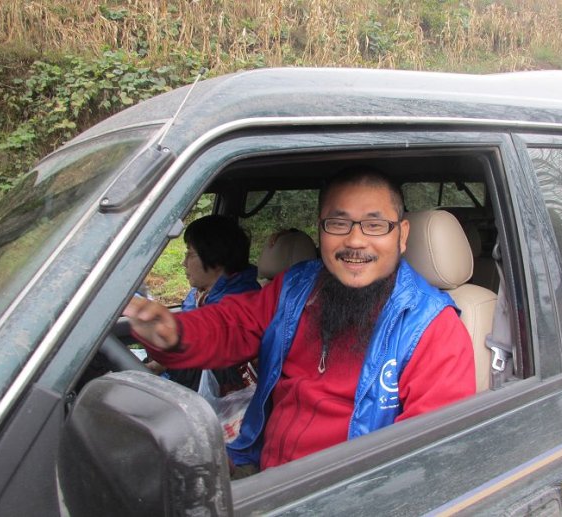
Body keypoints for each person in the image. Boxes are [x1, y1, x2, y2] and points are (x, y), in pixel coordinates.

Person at [125, 168, 475, 476]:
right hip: (264, 468)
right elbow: (233, 324)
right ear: (320, 230)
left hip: (340, 493)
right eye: (338, 223)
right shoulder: (297, 288)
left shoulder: (431, 327)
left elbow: (427, 458)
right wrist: (174, 332)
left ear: (401, 235)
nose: (355, 240)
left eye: (375, 225)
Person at [152, 215, 261, 394]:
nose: (184, 263)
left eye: (190, 254)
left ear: (216, 258)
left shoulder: (240, 307)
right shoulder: (200, 295)